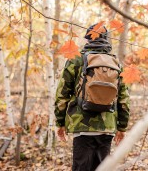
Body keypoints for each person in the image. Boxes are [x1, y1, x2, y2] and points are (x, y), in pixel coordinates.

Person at [54, 24, 130, 171]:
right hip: (106, 127)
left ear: (88, 39)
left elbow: (62, 94)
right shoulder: (115, 63)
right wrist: (122, 127)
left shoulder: (76, 60)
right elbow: (124, 99)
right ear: (107, 40)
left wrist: (60, 122)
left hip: (82, 125)